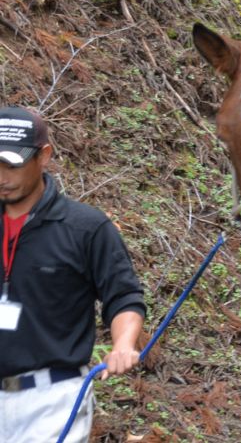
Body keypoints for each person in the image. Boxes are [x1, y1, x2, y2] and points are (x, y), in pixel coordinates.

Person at [0, 107, 145, 443]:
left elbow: (124, 297)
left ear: (44, 156)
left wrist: (123, 345)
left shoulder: (85, 228)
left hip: (52, 399)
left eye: (13, 165)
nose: (2, 177)